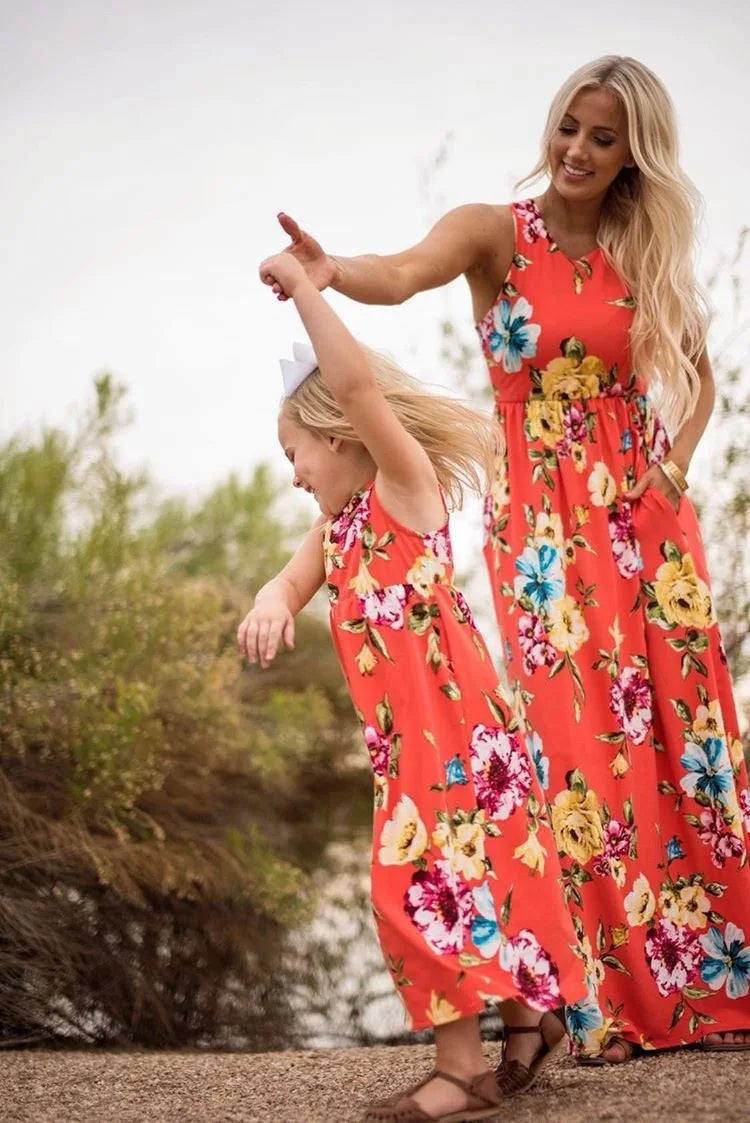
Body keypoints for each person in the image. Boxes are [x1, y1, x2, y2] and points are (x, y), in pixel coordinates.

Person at [258, 55, 750, 1062]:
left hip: (641, 523)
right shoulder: (497, 231)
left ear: (632, 156)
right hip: (540, 527)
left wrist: (674, 473)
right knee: (575, 746)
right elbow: (399, 273)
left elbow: (695, 375)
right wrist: (328, 272)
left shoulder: (641, 247)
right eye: (570, 126)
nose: (576, 149)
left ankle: (709, 973)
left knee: (674, 732)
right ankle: (601, 1000)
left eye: (602, 138)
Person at [237, 249, 587, 1121]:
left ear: (338, 434)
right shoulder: (337, 529)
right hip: (411, 749)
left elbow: (359, 387)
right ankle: (528, 1017)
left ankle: (463, 1067)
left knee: (416, 881)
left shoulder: (403, 487)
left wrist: (312, 292)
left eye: (295, 452)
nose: (293, 474)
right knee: (462, 880)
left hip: (462, 737)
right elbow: (287, 582)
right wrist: (269, 602)